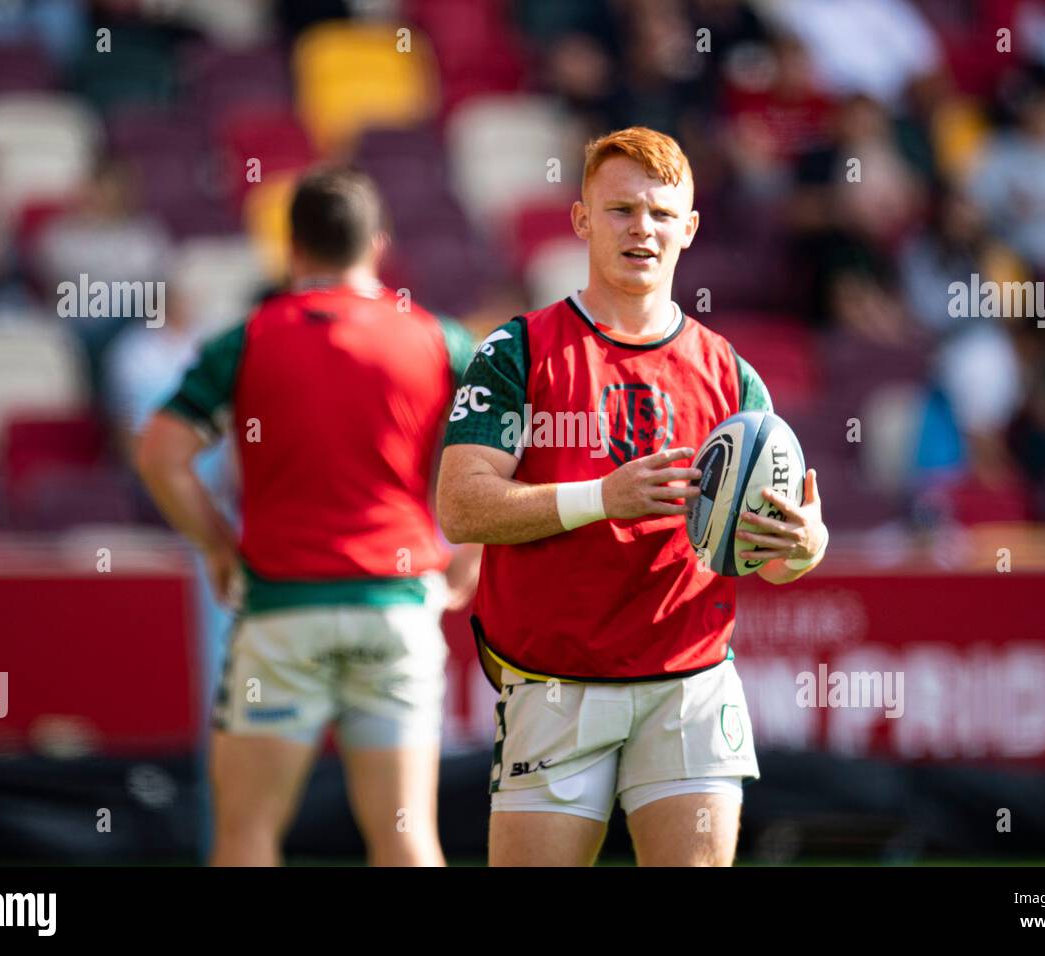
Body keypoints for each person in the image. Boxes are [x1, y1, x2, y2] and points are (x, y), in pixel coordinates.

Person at [436, 127, 829, 867]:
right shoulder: (518, 350)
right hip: (554, 688)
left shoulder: (733, 375)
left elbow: (773, 559)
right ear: (582, 220)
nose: (640, 229)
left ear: (689, 228)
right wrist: (601, 499)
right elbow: (461, 506)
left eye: (658, 213)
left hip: (692, 684)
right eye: (619, 210)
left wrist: (806, 547)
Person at [136, 166, 478, 866]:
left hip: (280, 613)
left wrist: (218, 546)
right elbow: (525, 443)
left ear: (291, 249)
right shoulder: (440, 341)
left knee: (248, 835)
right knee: (407, 837)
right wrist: (474, 552)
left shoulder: (249, 340)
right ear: (378, 246)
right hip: (399, 607)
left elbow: (159, 454)